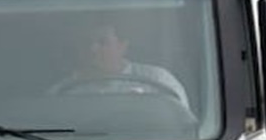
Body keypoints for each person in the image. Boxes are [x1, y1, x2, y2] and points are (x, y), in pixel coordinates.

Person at [49, 24, 191, 110]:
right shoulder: (63, 92)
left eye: (102, 42)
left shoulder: (157, 79)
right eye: (87, 42)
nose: (93, 49)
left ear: (123, 46)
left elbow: (181, 125)